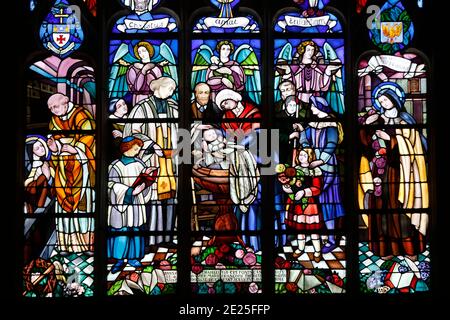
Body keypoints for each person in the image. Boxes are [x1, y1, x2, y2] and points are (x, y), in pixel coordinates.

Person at [358, 82, 428, 260]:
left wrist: (390, 139)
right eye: (380, 100)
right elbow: (365, 146)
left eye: (386, 99)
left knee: (400, 210)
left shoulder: (405, 121)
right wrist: (366, 126)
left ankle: (409, 249)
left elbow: (414, 148)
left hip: (401, 174)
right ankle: (385, 249)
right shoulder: (378, 120)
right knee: (380, 210)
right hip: (379, 173)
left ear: (394, 100)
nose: (383, 103)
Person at [123, 77, 178, 245]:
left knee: (171, 198)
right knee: (153, 198)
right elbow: (132, 133)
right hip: (152, 159)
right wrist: (151, 145)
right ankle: (152, 239)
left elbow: (185, 129)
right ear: (159, 88)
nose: (172, 92)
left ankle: (168, 237)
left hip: (172, 160)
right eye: (170, 89)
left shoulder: (174, 108)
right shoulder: (141, 108)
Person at [290, 96, 344, 254]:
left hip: (327, 167)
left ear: (319, 107)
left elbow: (331, 145)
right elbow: (305, 142)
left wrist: (319, 161)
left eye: (313, 106)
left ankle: (332, 238)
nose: (311, 109)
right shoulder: (311, 125)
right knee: (314, 201)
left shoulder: (331, 126)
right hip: (311, 166)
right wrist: (300, 133)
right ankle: (316, 236)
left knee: (328, 202)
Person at [47, 93, 96, 253]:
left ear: (66, 102)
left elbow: (89, 138)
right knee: (63, 206)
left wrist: (75, 148)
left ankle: (87, 244)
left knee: (84, 205)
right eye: (51, 108)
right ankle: (66, 244)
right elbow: (55, 144)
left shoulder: (81, 115)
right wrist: (55, 149)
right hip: (62, 169)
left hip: (81, 168)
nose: (53, 111)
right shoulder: (54, 121)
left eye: (55, 106)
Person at [108, 136, 158, 273]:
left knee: (135, 229)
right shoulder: (114, 166)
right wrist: (129, 191)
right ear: (126, 148)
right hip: (121, 204)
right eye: (136, 149)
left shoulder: (140, 164)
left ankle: (133, 258)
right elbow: (110, 186)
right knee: (121, 230)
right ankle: (119, 260)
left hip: (136, 204)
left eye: (139, 149)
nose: (137, 152)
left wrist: (146, 180)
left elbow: (145, 182)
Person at [277, 148, 323, 262]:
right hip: (296, 204)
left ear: (310, 157)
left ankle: (317, 251)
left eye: (304, 155)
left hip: (310, 205)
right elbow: (291, 185)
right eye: (300, 154)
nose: (301, 157)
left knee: (313, 230)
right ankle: (300, 248)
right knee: (299, 229)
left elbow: (317, 189)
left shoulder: (315, 171)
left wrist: (304, 192)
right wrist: (287, 188)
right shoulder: (294, 170)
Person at [277, 40, 341, 105]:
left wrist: (327, 72)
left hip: (316, 99)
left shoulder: (316, 68)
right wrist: (288, 72)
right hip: (298, 99)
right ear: (302, 50)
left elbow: (322, 85)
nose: (310, 52)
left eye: (312, 50)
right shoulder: (296, 68)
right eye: (308, 49)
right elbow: (291, 83)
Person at [24, 136, 54, 214]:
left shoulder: (47, 164)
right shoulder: (27, 169)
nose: (42, 148)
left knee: (42, 178)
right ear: (31, 152)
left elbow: (53, 180)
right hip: (31, 197)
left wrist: (46, 177)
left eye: (41, 145)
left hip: (45, 195)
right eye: (37, 148)